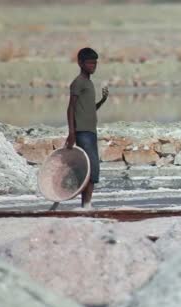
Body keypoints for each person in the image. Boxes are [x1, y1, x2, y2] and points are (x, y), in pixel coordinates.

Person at [65, 47, 109, 209]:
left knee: (91, 169)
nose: (93, 66)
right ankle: (86, 205)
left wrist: (102, 100)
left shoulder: (89, 83)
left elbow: (89, 110)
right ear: (80, 63)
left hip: (90, 131)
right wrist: (71, 133)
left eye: (95, 63)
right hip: (82, 132)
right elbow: (71, 108)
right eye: (89, 63)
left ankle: (86, 205)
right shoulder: (78, 83)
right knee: (91, 168)